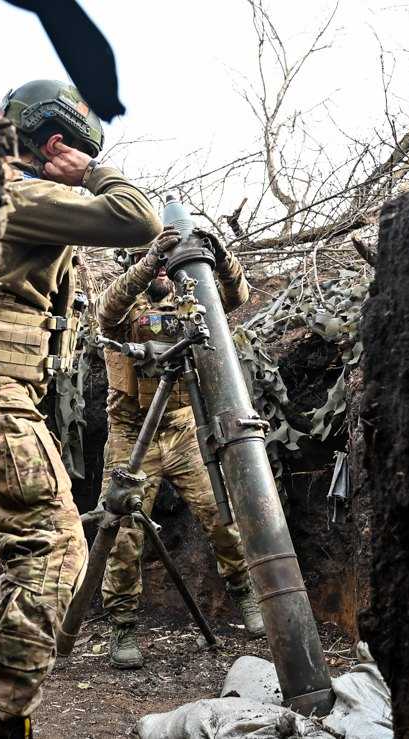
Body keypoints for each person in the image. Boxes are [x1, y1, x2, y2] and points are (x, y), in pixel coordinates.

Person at [0, 79, 162, 738]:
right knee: (53, 552)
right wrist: (95, 173)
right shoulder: (19, 191)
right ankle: (4, 719)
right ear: (53, 144)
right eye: (72, 151)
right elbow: (138, 217)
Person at [95, 227, 265, 671]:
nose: (168, 275)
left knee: (221, 514)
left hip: (182, 428)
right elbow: (106, 309)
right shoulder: (125, 306)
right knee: (125, 531)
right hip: (132, 433)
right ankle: (124, 624)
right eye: (160, 266)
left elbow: (237, 297)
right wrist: (151, 257)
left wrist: (221, 256)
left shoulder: (191, 303)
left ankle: (245, 593)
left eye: (172, 267)